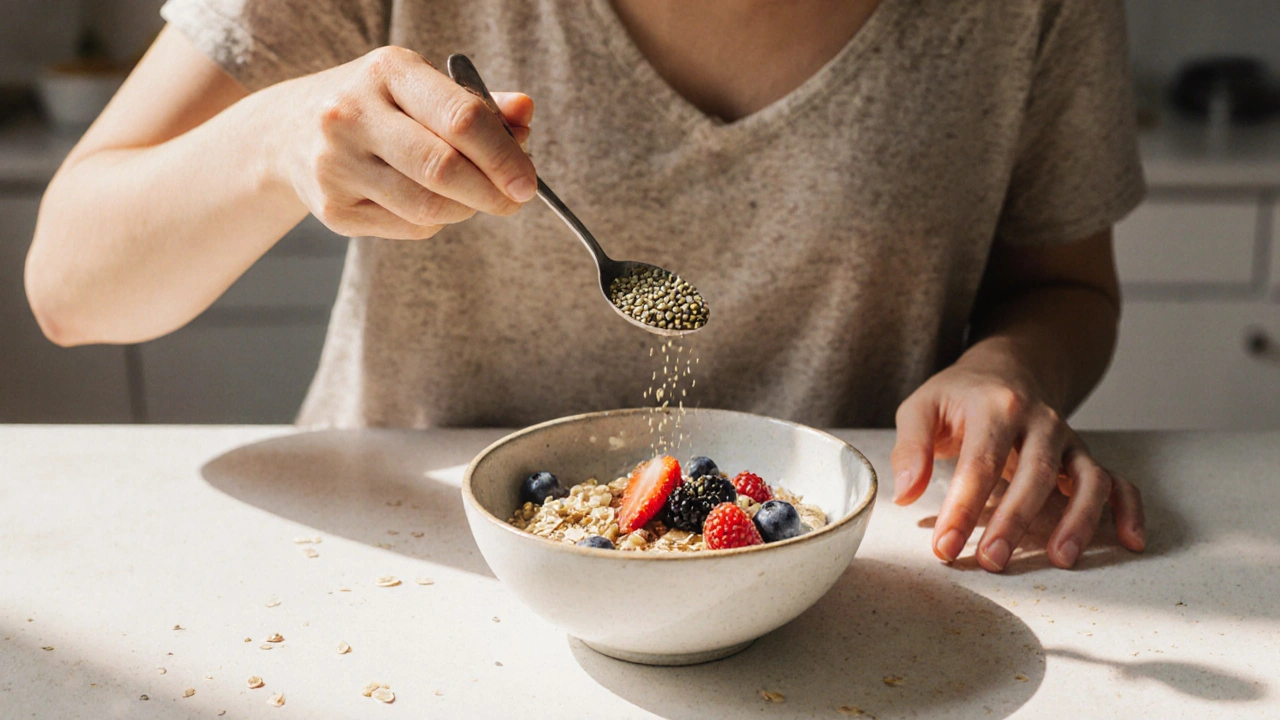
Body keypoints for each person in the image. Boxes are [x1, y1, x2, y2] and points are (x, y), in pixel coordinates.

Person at [25, 0, 1146, 572]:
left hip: (849, 583)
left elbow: (1065, 291)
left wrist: (1012, 364)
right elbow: (73, 284)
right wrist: (274, 141)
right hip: (408, 574)